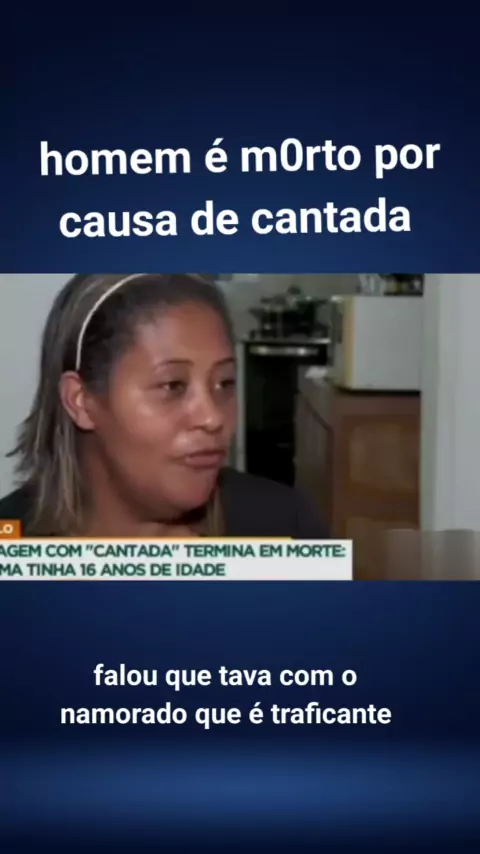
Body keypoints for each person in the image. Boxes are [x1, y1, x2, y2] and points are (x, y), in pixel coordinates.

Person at [0, 273, 326, 538]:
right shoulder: (10, 538)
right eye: (173, 386)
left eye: (225, 383)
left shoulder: (286, 526)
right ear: (80, 401)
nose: (213, 417)